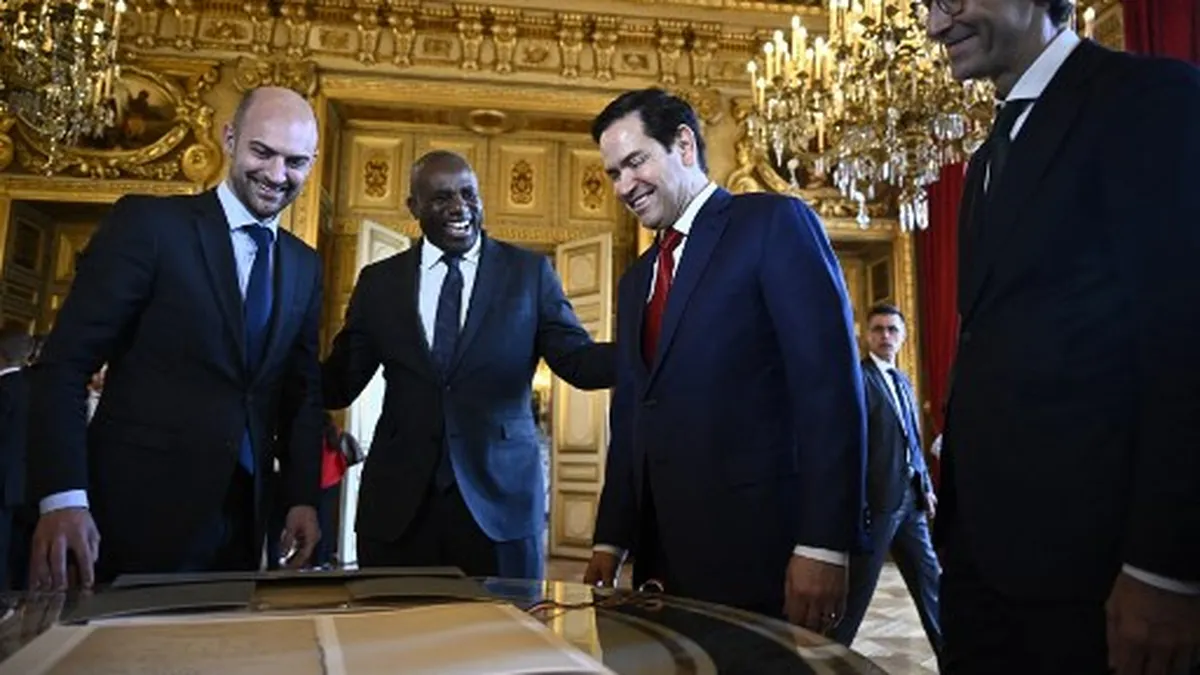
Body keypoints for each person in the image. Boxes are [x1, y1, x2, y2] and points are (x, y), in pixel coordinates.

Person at [926, 1, 1200, 672]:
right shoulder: (986, 159)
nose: (934, 26)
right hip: (984, 565)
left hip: (1098, 575)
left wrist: (1166, 567)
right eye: (924, 6)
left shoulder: (1147, 100)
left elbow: (1185, 336)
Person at [583, 88, 868, 633]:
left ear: (684, 145)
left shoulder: (771, 224)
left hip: (761, 551)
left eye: (636, 162)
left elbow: (828, 388)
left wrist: (824, 543)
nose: (623, 186)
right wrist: (611, 538)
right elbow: (634, 414)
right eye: (614, 173)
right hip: (661, 558)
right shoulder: (637, 279)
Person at [25, 86, 326, 589]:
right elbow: (64, 366)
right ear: (229, 139)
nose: (277, 175)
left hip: (243, 526)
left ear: (311, 163)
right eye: (262, 152)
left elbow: (301, 394)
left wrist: (301, 498)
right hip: (130, 515)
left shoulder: (304, 265)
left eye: (295, 162)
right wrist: (63, 498)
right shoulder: (150, 226)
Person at [322, 150, 615, 580]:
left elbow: (578, 362)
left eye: (468, 194)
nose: (459, 207)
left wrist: (650, 350)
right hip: (399, 511)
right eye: (442, 197)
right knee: (392, 624)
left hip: (501, 510)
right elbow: (338, 383)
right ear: (414, 207)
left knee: (506, 626)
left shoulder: (530, 274)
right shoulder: (379, 282)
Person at [832, 304, 942, 657]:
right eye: (878, 329)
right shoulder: (859, 379)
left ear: (903, 336)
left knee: (931, 583)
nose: (885, 336)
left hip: (911, 501)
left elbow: (912, 437)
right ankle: (829, 659)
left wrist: (926, 485)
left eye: (893, 329)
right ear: (866, 336)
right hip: (878, 503)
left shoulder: (903, 380)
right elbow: (851, 446)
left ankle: (952, 660)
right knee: (857, 594)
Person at [0, 328, 34, 591]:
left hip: (2, 481)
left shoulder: (3, 389)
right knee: (19, 552)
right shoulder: (34, 389)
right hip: (25, 483)